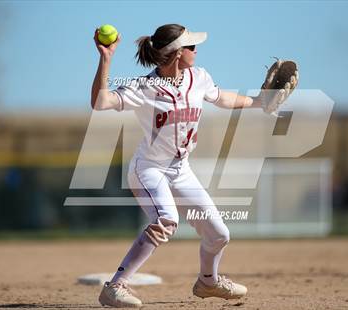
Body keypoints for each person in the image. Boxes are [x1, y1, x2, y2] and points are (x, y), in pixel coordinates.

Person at [91, 23, 268, 308]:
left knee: (219, 234)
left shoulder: (198, 77)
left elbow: (222, 98)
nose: (196, 51)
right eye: (191, 46)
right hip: (149, 168)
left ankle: (208, 282)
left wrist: (260, 101)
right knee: (166, 220)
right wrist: (105, 60)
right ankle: (115, 287)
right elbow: (100, 102)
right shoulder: (144, 87)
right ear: (176, 53)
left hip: (180, 170)